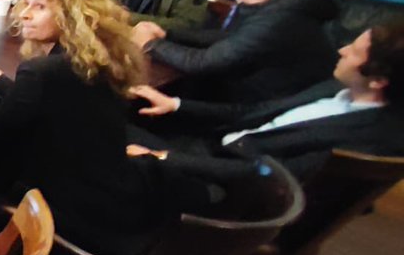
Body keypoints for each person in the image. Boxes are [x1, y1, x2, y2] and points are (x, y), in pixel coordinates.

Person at [0, 0, 180, 255]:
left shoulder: (42, 73)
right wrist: (2, 83)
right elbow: (62, 105)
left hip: (76, 216)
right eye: (25, 3)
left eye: (39, 6)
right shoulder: (103, 59)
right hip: (120, 202)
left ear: (73, 12)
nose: (24, 14)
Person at [126, 22, 404, 184]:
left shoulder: (365, 138)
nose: (342, 50)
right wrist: (174, 103)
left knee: (102, 133)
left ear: (378, 80)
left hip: (224, 183)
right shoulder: (336, 88)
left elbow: (266, 175)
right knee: (113, 120)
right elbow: (255, 112)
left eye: (354, 52)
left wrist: (164, 159)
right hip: (220, 147)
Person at [133, 0, 337, 104]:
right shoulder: (288, 5)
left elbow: (203, 62)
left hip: (255, 110)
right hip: (264, 98)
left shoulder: (277, 22)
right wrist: (167, 34)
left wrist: (150, 44)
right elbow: (229, 38)